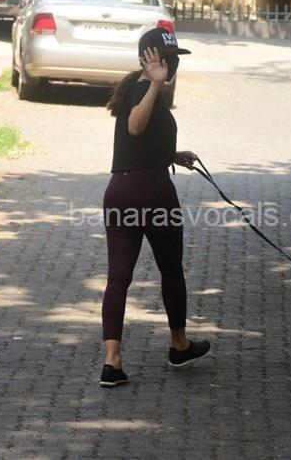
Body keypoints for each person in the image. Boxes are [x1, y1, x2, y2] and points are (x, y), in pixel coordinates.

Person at [100, 28, 211, 388]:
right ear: (146, 60)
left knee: (118, 278)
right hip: (153, 196)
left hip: (121, 192)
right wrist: (155, 84)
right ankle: (179, 344)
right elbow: (135, 127)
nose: (171, 64)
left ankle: (112, 362)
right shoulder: (143, 89)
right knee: (171, 270)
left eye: (174, 59)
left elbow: (138, 142)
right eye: (164, 59)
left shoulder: (136, 89)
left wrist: (171, 155)